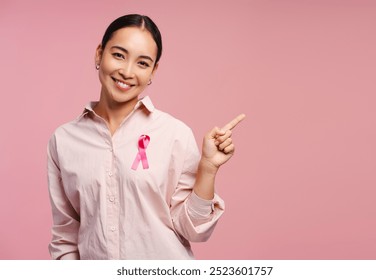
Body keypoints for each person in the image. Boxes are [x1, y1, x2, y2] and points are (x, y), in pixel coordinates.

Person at [47, 14, 245, 260]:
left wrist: (207, 168)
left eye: (142, 63)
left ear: (153, 71)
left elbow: (194, 230)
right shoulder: (64, 140)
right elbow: (66, 237)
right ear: (99, 54)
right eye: (119, 55)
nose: (127, 72)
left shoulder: (174, 134)